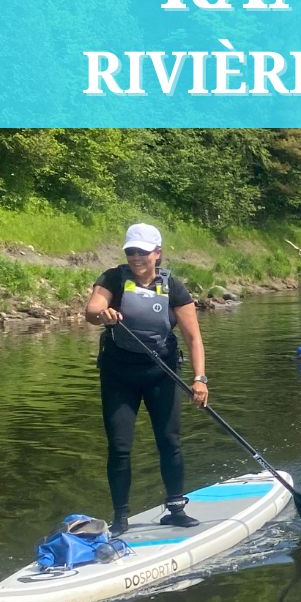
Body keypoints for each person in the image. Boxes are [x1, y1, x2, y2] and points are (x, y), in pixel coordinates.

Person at [84, 223, 208, 536]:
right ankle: (121, 518)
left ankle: (176, 510)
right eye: (131, 251)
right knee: (120, 446)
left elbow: (194, 338)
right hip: (118, 375)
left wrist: (200, 379)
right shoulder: (113, 278)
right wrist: (103, 315)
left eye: (142, 251)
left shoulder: (173, 287)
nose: (136, 257)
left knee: (169, 441)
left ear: (157, 253)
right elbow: (92, 308)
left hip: (161, 374)